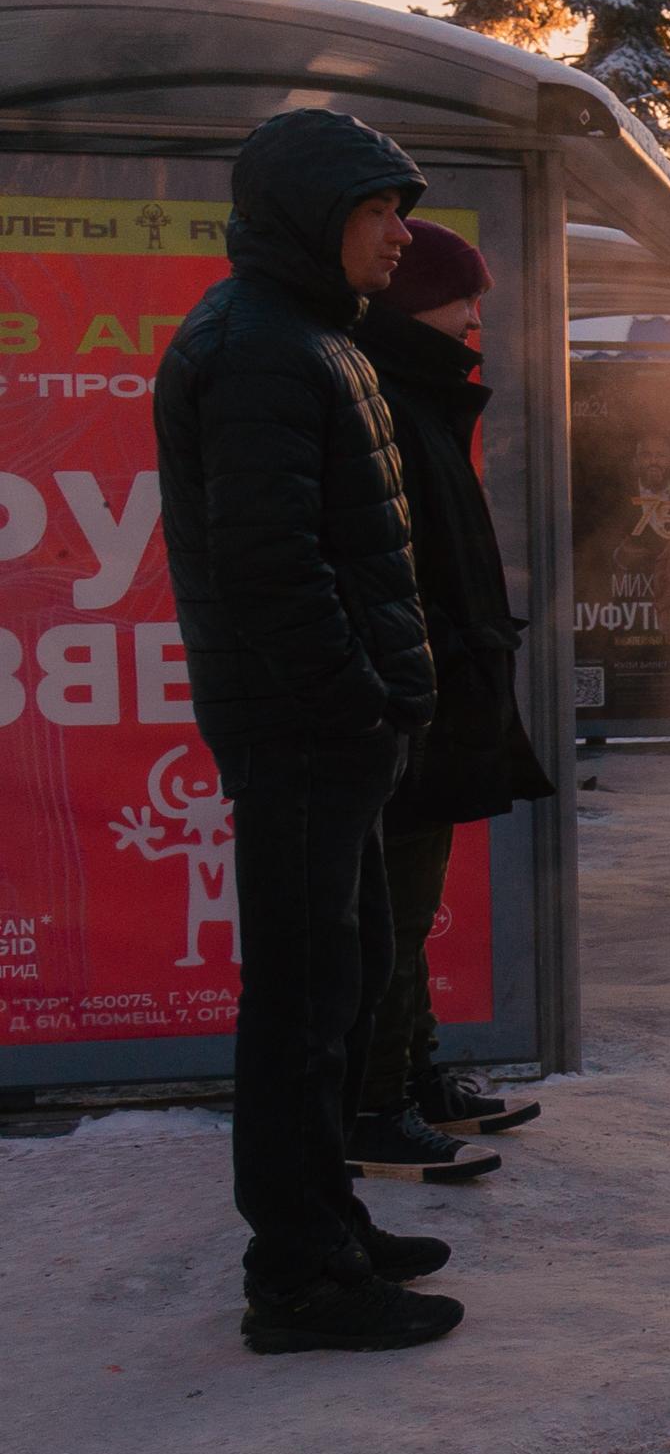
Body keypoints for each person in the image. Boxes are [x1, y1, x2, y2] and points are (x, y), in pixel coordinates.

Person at [152, 109, 459, 1354]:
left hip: (328, 739)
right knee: (299, 1003)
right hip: (303, 739)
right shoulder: (265, 348)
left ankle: (328, 1221)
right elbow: (273, 567)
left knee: (342, 982)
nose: (404, 234)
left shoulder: (304, 337)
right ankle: (300, 1276)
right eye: (382, 210)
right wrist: (357, 704)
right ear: (314, 216)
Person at [348, 218, 558, 1172]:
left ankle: (415, 1075)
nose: (477, 313)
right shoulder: (383, 395)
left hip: (435, 682)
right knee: (389, 907)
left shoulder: (416, 393)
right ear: (407, 300)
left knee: (408, 900)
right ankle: (375, 1104)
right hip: (406, 697)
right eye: (460, 293)